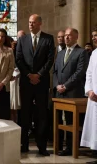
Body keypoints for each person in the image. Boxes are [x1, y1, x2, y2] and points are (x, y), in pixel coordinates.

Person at [16, 14, 55, 156]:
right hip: (26, 83)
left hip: (41, 82)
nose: (30, 25)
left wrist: (38, 75)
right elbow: (18, 59)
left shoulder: (48, 39)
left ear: (40, 23)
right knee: (25, 115)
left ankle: (42, 146)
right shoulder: (22, 40)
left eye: (33, 22)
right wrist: (28, 75)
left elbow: (50, 60)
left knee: (42, 115)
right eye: (29, 22)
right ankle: (24, 144)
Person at [53, 27, 88, 156]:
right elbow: (55, 71)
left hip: (73, 93)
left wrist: (66, 86)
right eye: (65, 35)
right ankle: (59, 145)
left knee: (71, 121)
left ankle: (71, 147)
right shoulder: (61, 52)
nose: (66, 37)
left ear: (76, 37)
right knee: (59, 121)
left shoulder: (81, 52)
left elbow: (79, 72)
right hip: (59, 93)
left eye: (69, 36)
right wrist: (57, 85)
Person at [81, 34, 97, 164]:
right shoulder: (94, 53)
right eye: (92, 36)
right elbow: (89, 73)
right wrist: (90, 90)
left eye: (96, 35)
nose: (93, 38)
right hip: (94, 96)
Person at [0, 28, 14, 120]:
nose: (0, 38)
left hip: (4, 86)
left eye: (3, 36)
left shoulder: (9, 51)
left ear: (5, 38)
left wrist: (2, 83)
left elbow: (10, 69)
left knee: (4, 112)